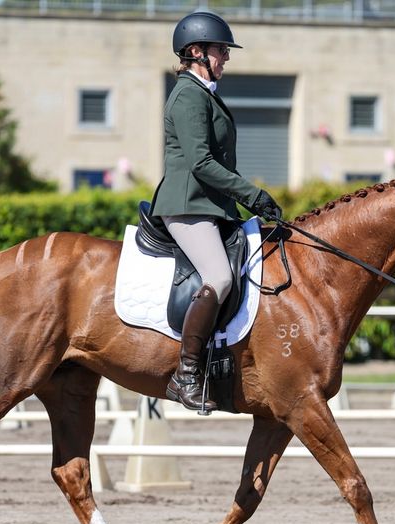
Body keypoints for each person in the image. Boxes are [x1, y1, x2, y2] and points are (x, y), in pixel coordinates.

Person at [151, 10, 282, 412]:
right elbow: (201, 163)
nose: (226, 58)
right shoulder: (189, 95)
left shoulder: (205, 94)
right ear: (195, 52)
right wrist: (252, 195)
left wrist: (248, 200)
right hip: (188, 206)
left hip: (211, 206)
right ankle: (186, 374)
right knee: (220, 277)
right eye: (220, 50)